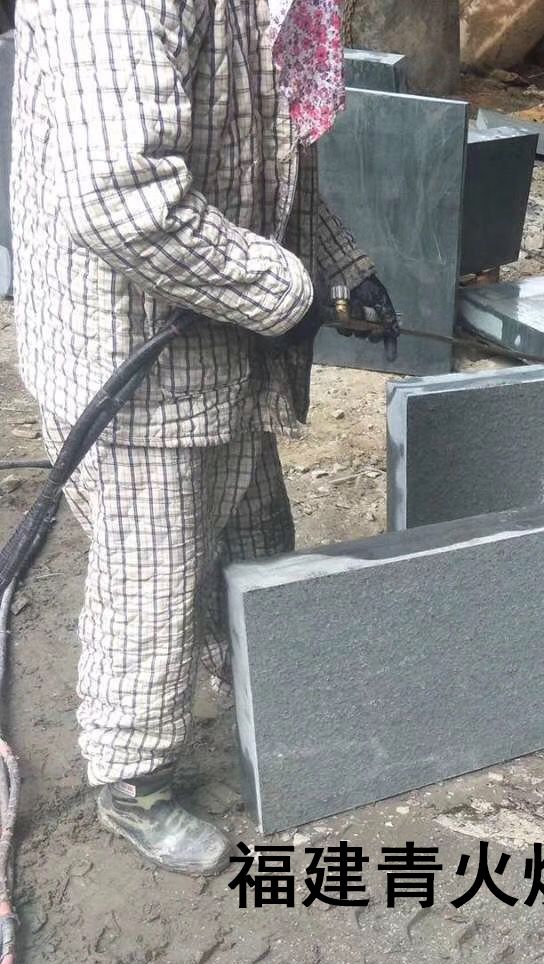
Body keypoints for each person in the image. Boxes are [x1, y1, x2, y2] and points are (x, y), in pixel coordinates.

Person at [11, 0, 394, 875]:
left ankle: (259, 671)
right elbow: (121, 196)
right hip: (131, 351)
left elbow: (273, 151)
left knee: (255, 523)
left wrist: (343, 265)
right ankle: (133, 774)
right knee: (157, 567)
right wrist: (284, 293)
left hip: (222, 328)